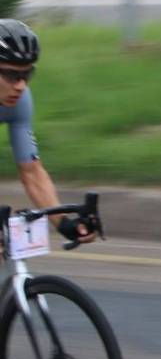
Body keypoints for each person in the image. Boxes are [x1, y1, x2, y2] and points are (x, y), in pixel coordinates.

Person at [0, 19, 94, 245]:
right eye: (11, 75)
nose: (21, 86)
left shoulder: (20, 101)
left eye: (27, 75)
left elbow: (32, 172)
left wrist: (63, 223)